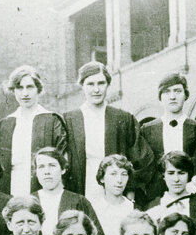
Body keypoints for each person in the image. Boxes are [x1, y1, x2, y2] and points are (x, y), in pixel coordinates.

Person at [62, 61, 154, 199]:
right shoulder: (69, 120)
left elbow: (142, 158)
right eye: (90, 84)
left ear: (108, 84)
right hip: (81, 189)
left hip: (117, 190)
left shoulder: (123, 118)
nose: (96, 90)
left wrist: (130, 189)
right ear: (82, 86)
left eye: (101, 83)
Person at [139, 73, 196, 201]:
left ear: (185, 95)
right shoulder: (147, 130)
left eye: (177, 91)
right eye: (167, 92)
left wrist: (193, 187)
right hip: (157, 199)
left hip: (192, 196)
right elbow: (143, 169)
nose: (172, 97)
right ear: (160, 97)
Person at [0, 65, 69, 195]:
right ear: (13, 90)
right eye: (19, 88)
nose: (25, 93)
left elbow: (62, 161)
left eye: (30, 87)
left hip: (43, 189)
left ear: (38, 89)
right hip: (11, 188)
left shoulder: (52, 121)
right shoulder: (5, 124)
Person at [32, 147, 109, 235]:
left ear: (63, 169)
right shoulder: (29, 203)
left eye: (52, 165)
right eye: (41, 166)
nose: (47, 171)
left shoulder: (78, 201)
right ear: (36, 172)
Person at [88, 154, 137, 235]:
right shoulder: (93, 209)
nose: (119, 180)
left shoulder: (133, 208)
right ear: (102, 178)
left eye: (124, 174)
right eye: (113, 174)